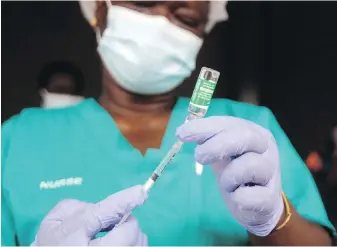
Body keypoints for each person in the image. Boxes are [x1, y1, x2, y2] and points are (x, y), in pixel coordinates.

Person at [1, 1, 336, 246]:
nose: (160, 23)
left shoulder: (245, 127)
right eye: (143, 3)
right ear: (99, 10)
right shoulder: (19, 139)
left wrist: (274, 217)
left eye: (185, 17)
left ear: (203, 32)